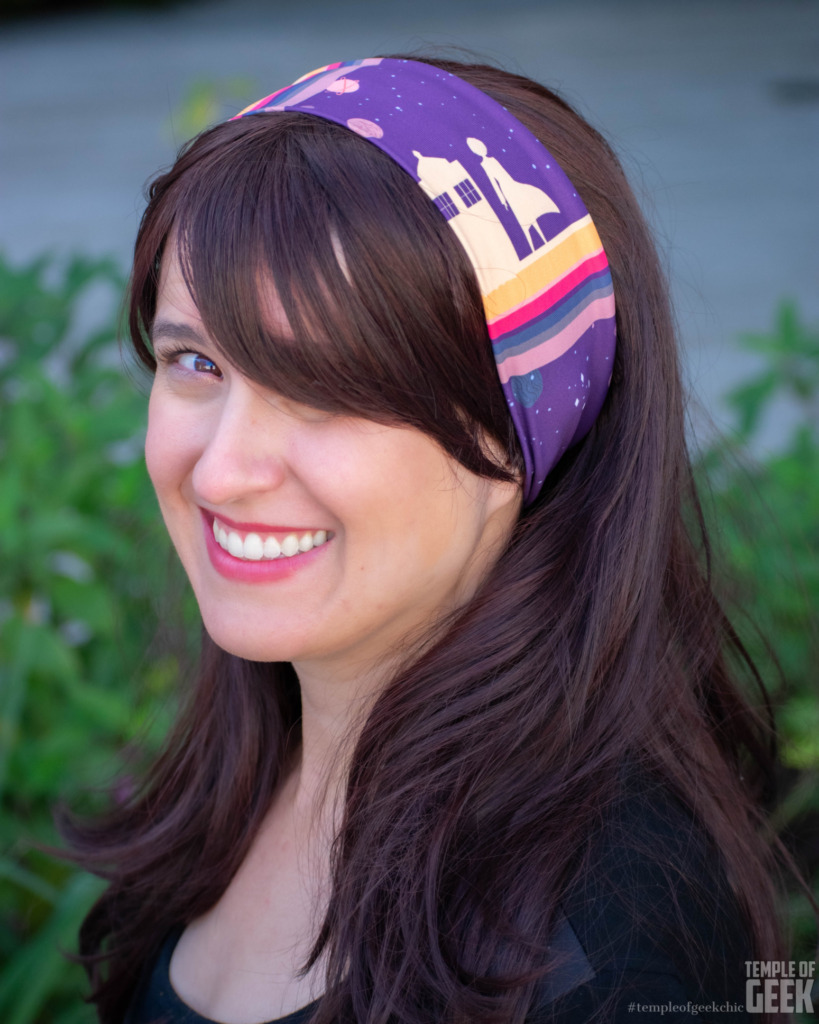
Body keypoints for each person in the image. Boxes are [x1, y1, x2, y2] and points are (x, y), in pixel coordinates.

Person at [62, 56, 788, 1024]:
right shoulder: (256, 756)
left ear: (525, 431)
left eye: (323, 390)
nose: (221, 469)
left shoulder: (604, 949)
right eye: (195, 360)